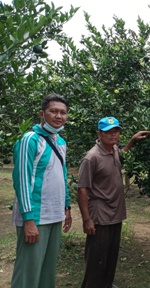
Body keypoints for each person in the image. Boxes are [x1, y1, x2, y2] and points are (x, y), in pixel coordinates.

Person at [77, 116, 150, 288]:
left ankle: (107, 284)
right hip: (100, 214)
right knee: (96, 258)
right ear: (99, 134)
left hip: (116, 213)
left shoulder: (114, 150)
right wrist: (87, 219)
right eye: (108, 132)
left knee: (111, 254)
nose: (113, 135)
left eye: (116, 131)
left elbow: (121, 155)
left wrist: (132, 140)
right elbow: (82, 189)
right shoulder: (91, 158)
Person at [11, 93, 72, 288]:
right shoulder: (30, 140)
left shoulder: (60, 142)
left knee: (47, 270)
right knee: (28, 273)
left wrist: (67, 205)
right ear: (42, 113)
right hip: (36, 216)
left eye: (63, 112)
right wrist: (28, 219)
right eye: (53, 111)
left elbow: (61, 175)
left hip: (54, 215)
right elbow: (22, 180)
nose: (58, 116)